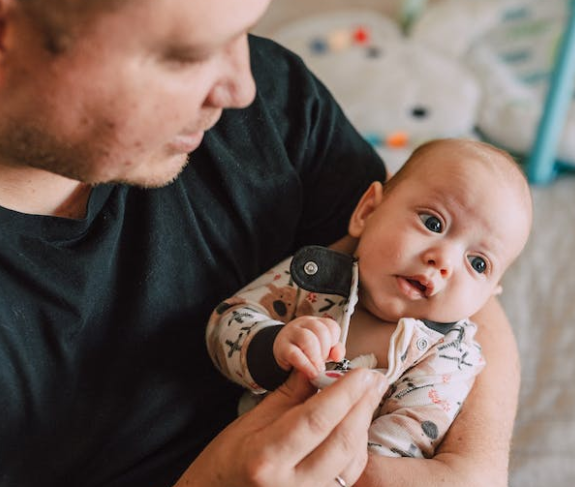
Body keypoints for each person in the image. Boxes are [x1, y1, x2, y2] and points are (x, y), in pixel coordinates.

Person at [0, 1, 521, 486]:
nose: (242, 86)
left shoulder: (273, 100)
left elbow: (435, 250)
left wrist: (469, 467)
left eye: (244, 30)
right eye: (188, 55)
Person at [207, 138, 532, 463]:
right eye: (433, 223)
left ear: (489, 294)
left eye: (478, 263)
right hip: (238, 457)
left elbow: (402, 445)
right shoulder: (314, 278)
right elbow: (225, 322)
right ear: (367, 211)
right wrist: (272, 345)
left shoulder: (445, 357)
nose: (444, 260)